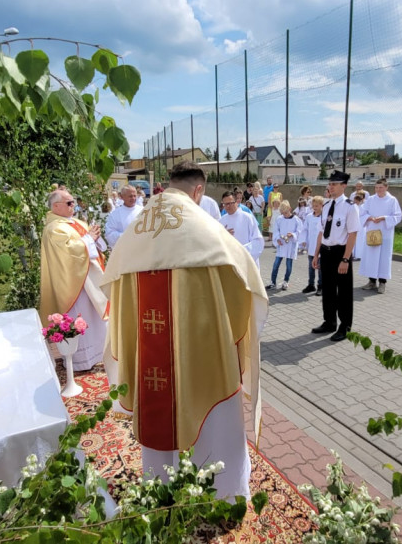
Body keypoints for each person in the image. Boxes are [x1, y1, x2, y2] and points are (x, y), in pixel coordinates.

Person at [101, 161, 268, 501]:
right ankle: (222, 492)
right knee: (213, 404)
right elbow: (247, 284)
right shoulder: (206, 229)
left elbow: (112, 287)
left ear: (167, 185)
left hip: (149, 355)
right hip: (202, 352)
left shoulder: (137, 229)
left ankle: (160, 483)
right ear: (198, 191)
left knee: (159, 404)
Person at [39, 189, 111, 374]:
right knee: (81, 317)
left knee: (95, 318)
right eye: (70, 203)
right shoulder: (54, 228)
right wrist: (89, 239)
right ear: (56, 206)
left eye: (74, 202)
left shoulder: (76, 222)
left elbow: (94, 245)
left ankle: (99, 353)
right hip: (73, 284)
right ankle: (81, 361)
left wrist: (95, 239)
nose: (74, 206)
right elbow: (68, 254)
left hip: (90, 279)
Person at [311, 170, 360, 342]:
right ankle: (329, 321)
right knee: (328, 290)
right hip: (326, 251)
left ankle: (344, 326)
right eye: (330, 184)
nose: (330, 187)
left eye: (334, 184)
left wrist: (346, 258)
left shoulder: (350, 206)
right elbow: (321, 232)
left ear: (343, 186)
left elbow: (353, 234)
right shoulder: (325, 206)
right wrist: (316, 255)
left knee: (344, 292)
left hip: (340, 252)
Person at [358, 179, 402, 293]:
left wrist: (384, 218)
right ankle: (372, 281)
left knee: (383, 258)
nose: (378, 190)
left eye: (381, 188)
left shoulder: (392, 200)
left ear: (386, 187)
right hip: (372, 232)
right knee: (372, 257)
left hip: (385, 234)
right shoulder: (371, 199)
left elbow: (398, 216)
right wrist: (370, 218)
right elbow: (362, 212)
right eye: (376, 187)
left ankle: (382, 283)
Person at [219, 190, 264, 269]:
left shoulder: (248, 218)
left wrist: (241, 251)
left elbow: (258, 241)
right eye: (225, 204)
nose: (228, 206)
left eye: (230, 203)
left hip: (247, 263)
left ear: (236, 202)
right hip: (230, 264)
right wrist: (223, 236)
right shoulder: (221, 221)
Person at [268, 200, 302, 291]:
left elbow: (299, 231)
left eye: (286, 212)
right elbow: (276, 230)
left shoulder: (296, 220)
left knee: (289, 265)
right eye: (283, 213)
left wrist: (293, 235)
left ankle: (285, 281)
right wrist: (278, 239)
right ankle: (273, 282)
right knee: (276, 265)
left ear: (290, 209)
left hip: (290, 245)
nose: (285, 215)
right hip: (282, 245)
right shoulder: (279, 219)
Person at [301, 196, 324, 296]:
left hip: (321, 247)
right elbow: (305, 229)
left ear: (321, 206)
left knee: (320, 268)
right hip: (311, 246)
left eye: (317, 206)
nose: (315, 207)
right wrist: (303, 240)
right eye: (313, 206)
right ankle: (311, 285)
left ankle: (321, 286)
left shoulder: (324, 217)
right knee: (311, 267)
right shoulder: (309, 217)